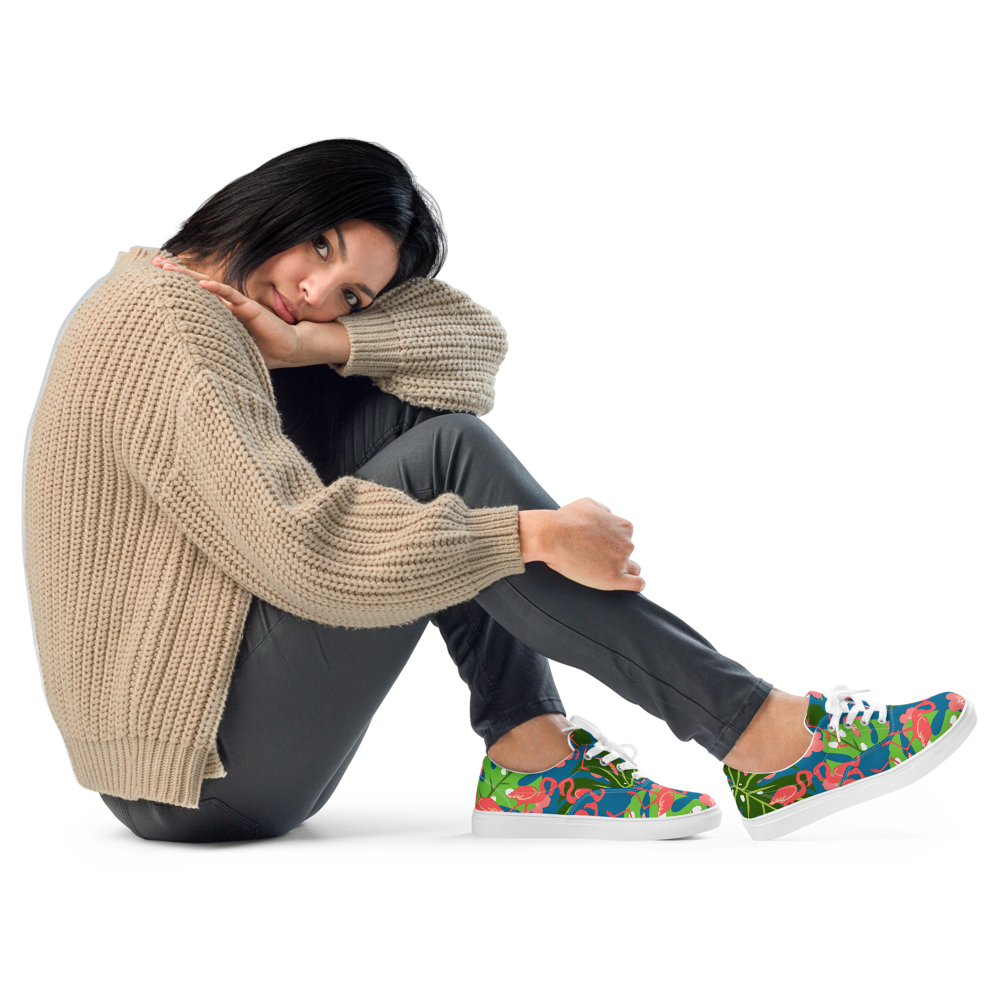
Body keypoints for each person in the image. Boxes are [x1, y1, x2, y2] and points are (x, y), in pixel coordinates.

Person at [24, 138, 975, 845]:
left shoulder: (206, 307)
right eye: (317, 246)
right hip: (197, 773)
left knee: (431, 426)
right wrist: (528, 536)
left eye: (351, 294)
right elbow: (301, 555)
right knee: (451, 458)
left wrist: (325, 343)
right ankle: (767, 738)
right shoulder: (171, 331)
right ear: (273, 202)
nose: (315, 291)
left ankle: (535, 758)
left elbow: (474, 347)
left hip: (202, 742)